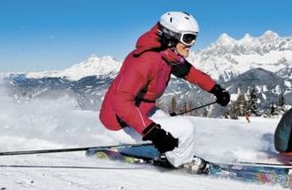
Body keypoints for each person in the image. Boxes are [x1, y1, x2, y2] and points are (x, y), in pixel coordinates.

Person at [99, 11, 231, 170]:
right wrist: (153, 132)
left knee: (170, 125)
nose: (192, 44)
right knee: (185, 128)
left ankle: (171, 154)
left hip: (141, 111)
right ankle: (182, 164)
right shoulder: (145, 60)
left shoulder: (167, 57)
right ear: (170, 36)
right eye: (188, 38)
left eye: (194, 38)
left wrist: (216, 90)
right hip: (119, 123)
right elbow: (120, 101)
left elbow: (190, 73)